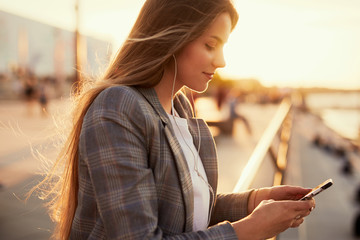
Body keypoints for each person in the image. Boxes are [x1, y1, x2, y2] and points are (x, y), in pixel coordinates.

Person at [35, 0, 315, 239]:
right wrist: (248, 230)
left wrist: (254, 201)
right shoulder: (118, 107)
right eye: (210, 45)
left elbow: (182, 209)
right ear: (173, 35)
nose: (222, 61)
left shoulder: (179, 106)